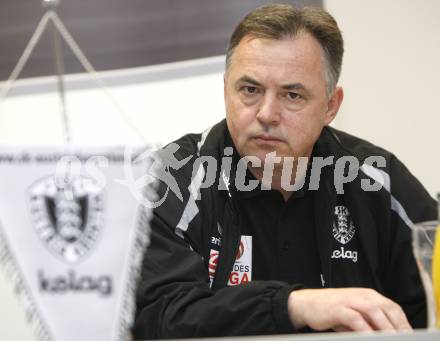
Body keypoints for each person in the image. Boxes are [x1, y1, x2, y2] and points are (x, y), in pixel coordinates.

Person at [132, 4, 437, 339]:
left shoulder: (377, 179)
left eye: (292, 95)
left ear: (330, 106)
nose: (267, 113)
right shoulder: (171, 179)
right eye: (250, 90)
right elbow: (157, 315)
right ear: (225, 91)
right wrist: (295, 305)